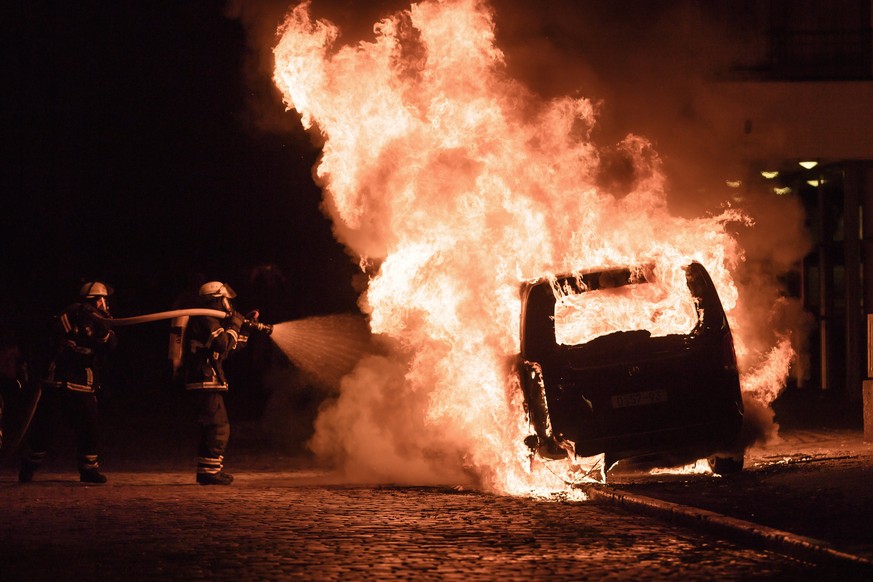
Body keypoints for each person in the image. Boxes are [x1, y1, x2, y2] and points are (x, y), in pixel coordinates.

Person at [19, 281, 118, 483]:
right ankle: (29, 465)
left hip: (83, 381)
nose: (105, 304)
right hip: (59, 381)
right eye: (103, 300)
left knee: (89, 426)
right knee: (45, 427)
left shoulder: (103, 322)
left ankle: (88, 469)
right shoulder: (71, 314)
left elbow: (109, 346)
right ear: (98, 300)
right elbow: (54, 336)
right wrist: (72, 334)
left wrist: (102, 329)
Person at [182, 281, 252, 485]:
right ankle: (209, 472)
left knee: (213, 426)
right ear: (218, 299)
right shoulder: (206, 318)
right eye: (226, 299)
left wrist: (245, 328)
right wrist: (235, 324)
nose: (229, 303)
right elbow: (222, 344)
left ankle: (208, 470)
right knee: (218, 427)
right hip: (204, 379)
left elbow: (231, 346)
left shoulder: (211, 320)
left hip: (207, 378)